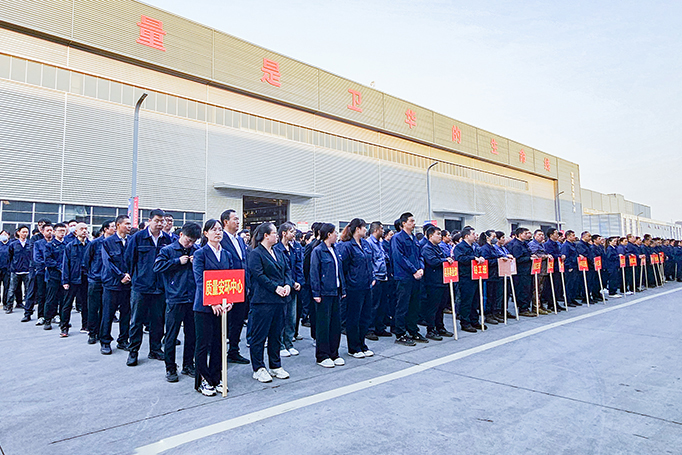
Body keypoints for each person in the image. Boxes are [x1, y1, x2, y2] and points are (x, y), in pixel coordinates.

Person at [124, 209, 172, 366]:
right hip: (141, 286)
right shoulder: (138, 237)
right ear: (149, 221)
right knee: (137, 321)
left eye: (162, 221)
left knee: (157, 320)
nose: (160, 224)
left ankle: (155, 349)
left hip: (160, 287)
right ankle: (133, 351)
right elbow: (129, 259)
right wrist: (137, 277)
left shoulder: (167, 239)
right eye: (157, 221)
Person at [154, 222, 201, 383]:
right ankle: (170, 367)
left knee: (192, 334)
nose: (190, 244)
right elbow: (157, 267)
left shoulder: (197, 251)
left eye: (193, 241)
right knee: (171, 335)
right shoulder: (168, 250)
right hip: (175, 297)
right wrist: (176, 261)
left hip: (192, 297)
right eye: (188, 240)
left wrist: (196, 262)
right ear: (181, 235)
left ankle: (188, 364)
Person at [247, 222, 293, 383]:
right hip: (263, 300)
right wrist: (275, 288)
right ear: (266, 235)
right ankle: (258, 368)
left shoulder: (278, 251)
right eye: (274, 233)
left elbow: (287, 270)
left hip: (280, 300)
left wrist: (288, 284)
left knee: (276, 334)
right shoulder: (256, 253)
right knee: (259, 336)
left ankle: (275, 365)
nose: (277, 235)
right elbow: (259, 275)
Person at [192, 219, 231, 396]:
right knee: (203, 344)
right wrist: (212, 302)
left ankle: (216, 377)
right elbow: (200, 280)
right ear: (206, 233)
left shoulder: (226, 254)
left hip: (223, 306)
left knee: (219, 343)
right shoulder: (200, 254)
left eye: (220, 229)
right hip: (204, 306)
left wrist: (229, 300)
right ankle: (203, 380)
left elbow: (230, 279)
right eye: (214, 230)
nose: (218, 232)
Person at [310, 223, 346, 368]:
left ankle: (334, 353)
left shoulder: (335, 250)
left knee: (335, 324)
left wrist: (343, 289)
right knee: (323, 325)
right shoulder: (318, 251)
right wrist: (316, 292)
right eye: (335, 232)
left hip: (336, 291)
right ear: (329, 234)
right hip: (324, 292)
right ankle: (322, 355)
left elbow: (340, 271)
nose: (337, 235)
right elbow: (314, 273)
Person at [337, 218, 375, 358]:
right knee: (354, 318)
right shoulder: (347, 246)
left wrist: (372, 277)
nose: (366, 230)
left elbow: (370, 262)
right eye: (364, 227)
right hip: (353, 287)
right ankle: (353, 347)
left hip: (366, 286)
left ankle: (362, 344)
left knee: (365, 317)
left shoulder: (365, 244)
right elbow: (343, 268)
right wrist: (346, 286)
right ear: (357, 229)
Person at [219, 209, 250, 365]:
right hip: (226, 286)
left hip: (241, 286)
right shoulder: (220, 238)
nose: (238, 222)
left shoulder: (239, 240)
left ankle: (233, 351)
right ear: (226, 222)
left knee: (238, 320)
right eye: (235, 219)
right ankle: (219, 352)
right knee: (224, 321)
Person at [390, 212, 426, 346]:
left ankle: (413, 330)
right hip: (404, 276)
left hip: (416, 276)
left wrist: (421, 268)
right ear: (404, 223)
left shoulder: (414, 238)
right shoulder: (397, 238)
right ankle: (400, 333)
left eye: (414, 221)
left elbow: (420, 255)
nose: (413, 223)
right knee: (402, 305)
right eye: (411, 221)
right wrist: (413, 270)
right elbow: (399, 257)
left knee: (414, 305)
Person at [100, 215, 133, 355]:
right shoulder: (108, 242)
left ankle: (123, 340)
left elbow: (134, 260)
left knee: (126, 313)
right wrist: (120, 276)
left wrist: (129, 275)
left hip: (128, 284)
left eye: (130, 224)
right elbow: (107, 262)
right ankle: (105, 341)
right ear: (118, 225)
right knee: (108, 313)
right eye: (127, 224)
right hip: (112, 284)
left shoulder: (131, 241)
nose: (129, 226)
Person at [83, 220, 115, 344]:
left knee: (105, 309)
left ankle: (102, 333)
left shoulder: (114, 243)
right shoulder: (95, 243)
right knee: (93, 308)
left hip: (108, 281)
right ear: (105, 229)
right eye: (112, 227)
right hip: (95, 280)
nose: (115, 229)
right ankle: (92, 333)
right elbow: (86, 261)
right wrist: (92, 275)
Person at [273, 222, 302, 357]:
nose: (294, 234)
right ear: (284, 233)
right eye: (291, 231)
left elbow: (298, 266)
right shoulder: (276, 249)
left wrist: (298, 282)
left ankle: (289, 343)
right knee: (281, 318)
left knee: (292, 317)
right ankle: (280, 345)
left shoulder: (295, 248)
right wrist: (289, 283)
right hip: (282, 287)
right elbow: (281, 270)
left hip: (293, 287)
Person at [421, 225, 454, 339]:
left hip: (442, 281)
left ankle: (440, 327)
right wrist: (445, 260)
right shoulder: (427, 248)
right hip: (433, 282)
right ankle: (431, 329)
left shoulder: (438, 247)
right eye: (438, 234)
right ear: (430, 236)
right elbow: (433, 261)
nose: (440, 236)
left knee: (441, 307)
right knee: (433, 307)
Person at [453, 227, 486, 332]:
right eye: (473, 234)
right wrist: (473, 258)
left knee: (475, 300)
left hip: (475, 276)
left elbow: (479, 255)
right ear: (466, 236)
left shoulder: (474, 246)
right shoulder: (460, 247)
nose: (475, 236)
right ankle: (465, 322)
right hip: (465, 277)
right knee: (466, 301)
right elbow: (460, 259)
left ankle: (474, 320)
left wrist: (481, 258)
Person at [60, 222, 90, 336]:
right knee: (67, 304)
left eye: (86, 228)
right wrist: (65, 281)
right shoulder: (70, 246)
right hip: (73, 278)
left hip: (86, 279)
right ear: (76, 232)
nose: (84, 231)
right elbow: (65, 264)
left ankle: (85, 326)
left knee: (86, 304)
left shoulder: (90, 245)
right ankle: (64, 327)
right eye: (81, 229)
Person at [22, 222, 52, 322]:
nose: (49, 232)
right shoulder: (35, 239)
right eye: (40, 225)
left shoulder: (53, 240)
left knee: (48, 293)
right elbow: (34, 254)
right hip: (36, 268)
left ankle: (50, 314)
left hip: (49, 270)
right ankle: (28, 313)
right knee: (32, 291)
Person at [366, 221, 391, 339]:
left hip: (383, 276)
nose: (383, 231)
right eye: (381, 228)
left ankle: (379, 328)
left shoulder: (379, 243)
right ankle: (369, 329)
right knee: (373, 305)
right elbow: (369, 262)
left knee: (382, 304)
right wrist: (372, 277)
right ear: (375, 230)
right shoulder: (369, 243)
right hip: (376, 278)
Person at [43, 223, 68, 333]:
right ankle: (47, 320)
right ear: (54, 232)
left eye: (63, 231)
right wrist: (60, 267)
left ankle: (63, 320)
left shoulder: (67, 244)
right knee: (51, 299)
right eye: (59, 231)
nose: (62, 233)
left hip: (65, 277)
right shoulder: (49, 245)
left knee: (64, 299)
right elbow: (48, 260)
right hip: (53, 276)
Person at [508, 227, 536, 317]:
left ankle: (526, 307)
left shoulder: (525, 243)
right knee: (523, 290)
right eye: (525, 233)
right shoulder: (516, 245)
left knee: (528, 290)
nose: (527, 235)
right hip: (521, 272)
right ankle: (523, 308)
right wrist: (529, 258)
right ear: (519, 235)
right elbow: (517, 259)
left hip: (527, 270)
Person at [6, 225, 31, 313]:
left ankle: (28, 307)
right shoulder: (13, 244)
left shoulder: (30, 244)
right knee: (12, 289)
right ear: (18, 232)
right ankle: (9, 306)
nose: (25, 234)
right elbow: (9, 257)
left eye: (26, 232)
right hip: (15, 270)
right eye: (23, 232)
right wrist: (12, 267)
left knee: (28, 290)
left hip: (27, 270)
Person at [560, 230, 581, 307]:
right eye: (572, 235)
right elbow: (565, 257)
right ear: (568, 236)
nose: (574, 237)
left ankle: (573, 298)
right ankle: (568, 300)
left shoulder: (573, 245)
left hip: (575, 266)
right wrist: (569, 266)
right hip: (570, 267)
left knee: (574, 284)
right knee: (569, 284)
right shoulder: (566, 245)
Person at [0, 230, 10, 310]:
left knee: (7, 287)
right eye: (2, 234)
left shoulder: (11, 245)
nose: (4, 236)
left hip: (7, 269)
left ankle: (5, 303)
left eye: (5, 234)